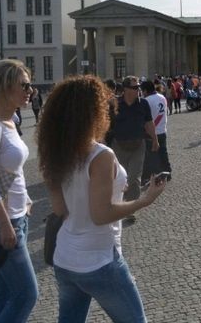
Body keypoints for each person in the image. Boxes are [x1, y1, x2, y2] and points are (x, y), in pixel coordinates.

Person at [38, 75, 166, 322]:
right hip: (98, 259)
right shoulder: (100, 154)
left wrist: (114, 185)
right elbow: (101, 215)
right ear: (94, 111)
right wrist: (144, 200)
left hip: (64, 258)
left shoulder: (55, 151)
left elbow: (60, 209)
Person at [0, 59, 38, 322]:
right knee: (26, 294)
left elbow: (12, 171)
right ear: (5, 86)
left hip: (18, 216)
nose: (30, 90)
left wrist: (27, 200)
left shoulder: (11, 120)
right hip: (5, 222)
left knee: (7, 294)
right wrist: (4, 224)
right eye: (25, 84)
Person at [110, 76, 159, 220]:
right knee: (119, 178)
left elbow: (149, 123)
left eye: (138, 87)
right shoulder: (115, 104)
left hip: (138, 145)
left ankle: (130, 209)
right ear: (125, 89)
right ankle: (116, 205)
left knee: (134, 178)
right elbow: (106, 124)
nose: (138, 89)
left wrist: (155, 140)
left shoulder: (143, 104)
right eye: (134, 87)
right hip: (119, 145)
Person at [140, 81, 172, 183]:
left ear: (145, 90)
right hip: (162, 129)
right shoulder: (162, 97)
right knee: (163, 152)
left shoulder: (146, 100)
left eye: (142, 90)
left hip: (152, 131)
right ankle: (167, 172)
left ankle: (152, 176)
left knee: (151, 155)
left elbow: (146, 118)